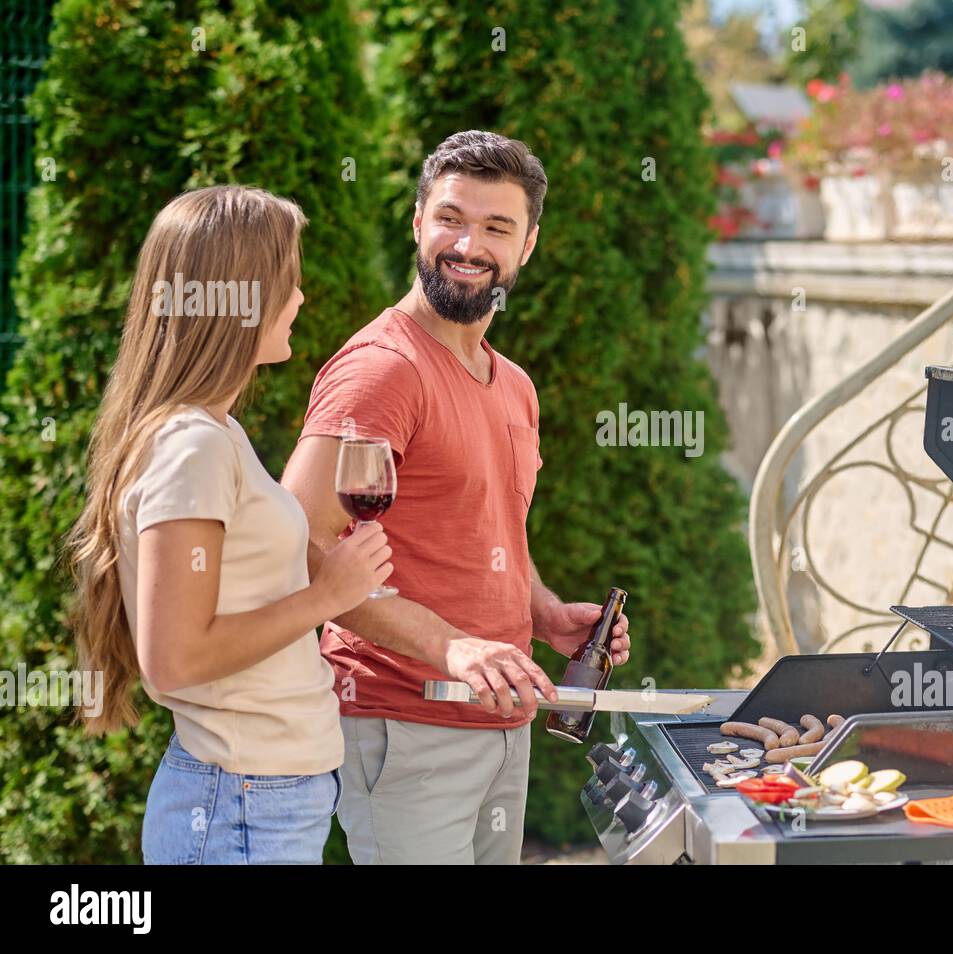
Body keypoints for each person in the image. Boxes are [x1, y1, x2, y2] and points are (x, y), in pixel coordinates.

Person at [280, 130, 631, 865]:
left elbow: (492, 530)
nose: (467, 244)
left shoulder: (514, 385)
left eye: (496, 227)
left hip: (499, 720)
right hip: (402, 723)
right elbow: (296, 546)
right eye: (450, 218)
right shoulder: (383, 371)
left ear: (527, 245)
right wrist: (451, 647)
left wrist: (541, 613)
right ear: (417, 223)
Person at [68, 185, 393, 864]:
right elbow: (176, 658)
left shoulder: (215, 431)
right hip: (242, 806)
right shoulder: (195, 445)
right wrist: (326, 597)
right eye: (288, 280)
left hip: (259, 800)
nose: (301, 297)